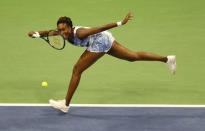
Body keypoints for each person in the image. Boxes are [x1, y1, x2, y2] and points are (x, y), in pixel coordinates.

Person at [28, 12, 176, 113]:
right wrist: (36, 34)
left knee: (76, 70)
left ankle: (65, 105)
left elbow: (100, 28)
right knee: (133, 56)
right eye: (60, 30)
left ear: (70, 27)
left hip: (100, 41)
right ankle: (167, 59)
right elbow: (49, 32)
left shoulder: (79, 33)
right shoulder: (61, 32)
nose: (62, 32)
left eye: (64, 29)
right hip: (106, 38)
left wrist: (120, 23)